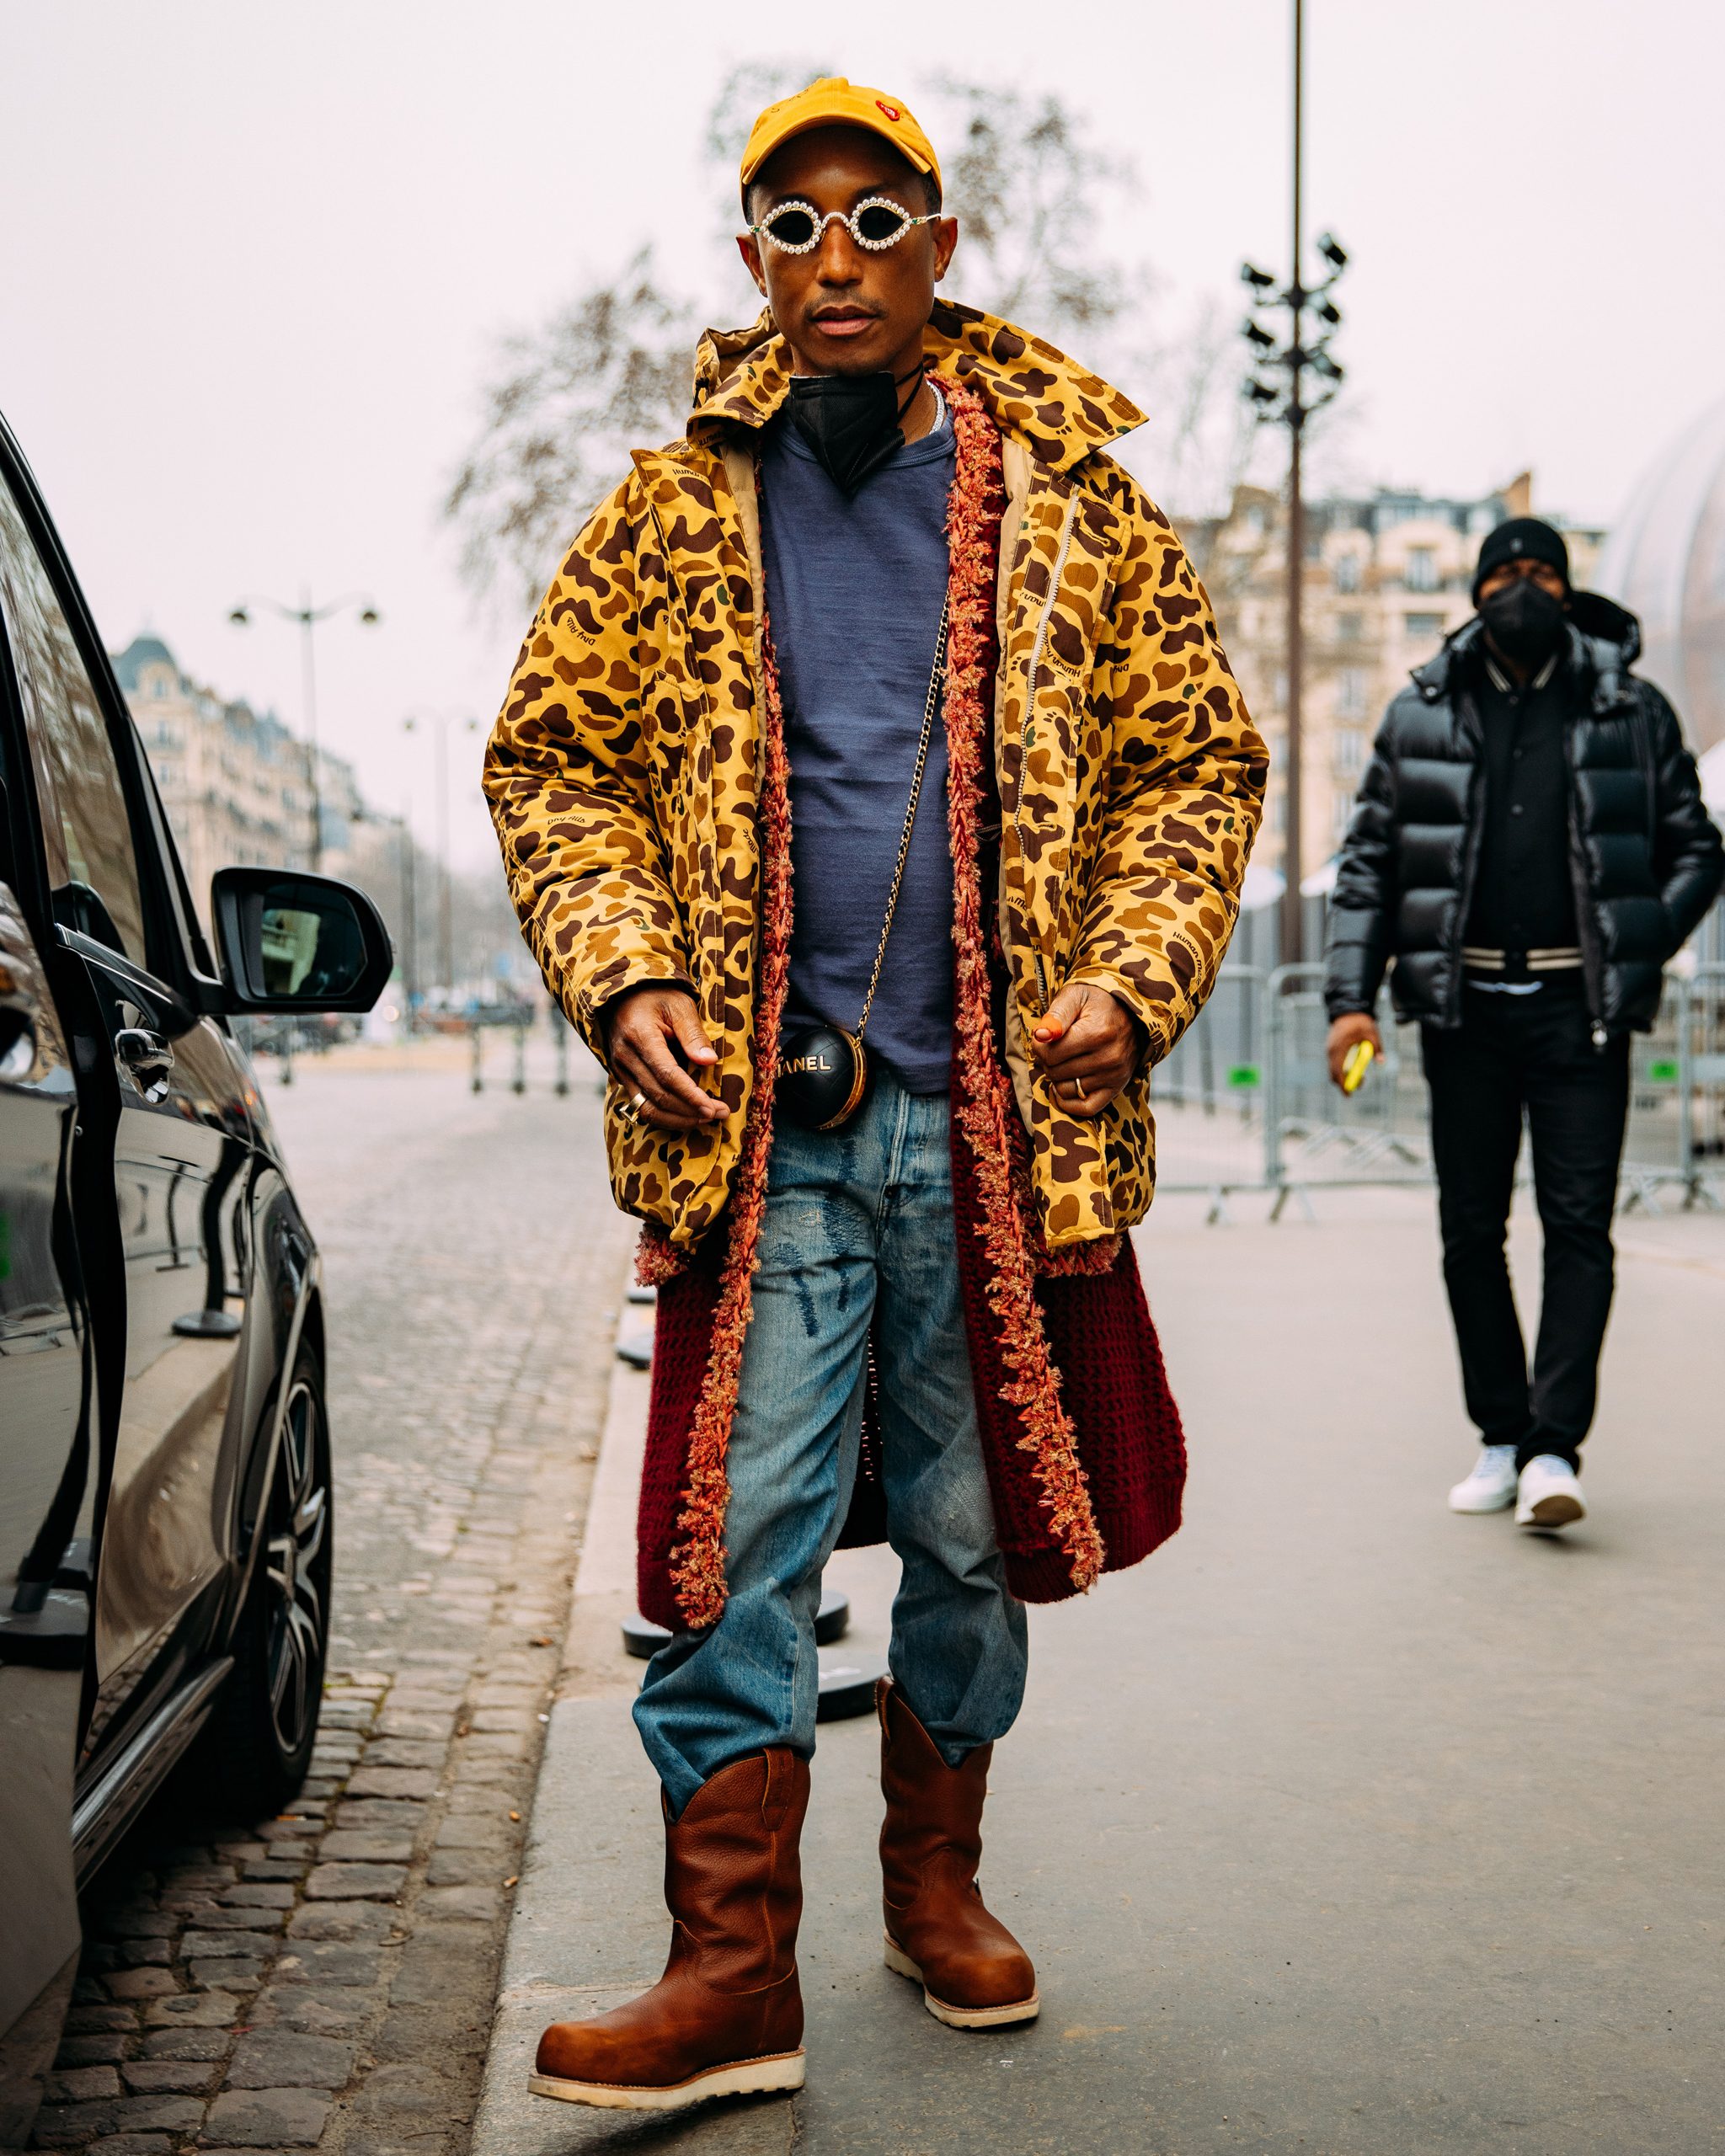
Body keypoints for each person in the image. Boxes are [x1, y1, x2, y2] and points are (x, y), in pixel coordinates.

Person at [484, 76, 1263, 2112]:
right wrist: (625, 967)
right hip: (762, 1136)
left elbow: (1195, 762)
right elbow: (551, 757)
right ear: (750, 258)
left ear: (940, 247)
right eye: (791, 223)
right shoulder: (672, 510)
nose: (833, 259)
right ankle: (728, 1964)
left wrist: (1132, 971)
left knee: (966, 1533)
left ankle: (937, 1880)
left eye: (874, 218)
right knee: (730, 1543)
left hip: (1000, 1132)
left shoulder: (1077, 505)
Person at [1324, 516, 1722, 1533]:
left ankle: (1553, 1448)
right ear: (1473, 593)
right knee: (1469, 1231)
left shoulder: (1626, 706)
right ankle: (1500, 1435)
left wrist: (1639, 942)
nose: (1521, 588)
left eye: (1542, 572)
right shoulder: (1420, 711)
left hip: (1578, 1016)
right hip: (1460, 1013)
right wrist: (1348, 1001)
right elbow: (1368, 865)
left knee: (1577, 1229)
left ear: (1567, 590)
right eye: (1503, 572)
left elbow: (1695, 847)